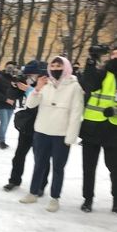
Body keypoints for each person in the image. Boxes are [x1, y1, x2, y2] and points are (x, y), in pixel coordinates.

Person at [19, 56, 84, 212]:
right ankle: (33, 192)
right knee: (39, 164)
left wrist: (71, 137)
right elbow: (30, 105)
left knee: (58, 167)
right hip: (42, 132)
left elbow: (76, 113)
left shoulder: (74, 86)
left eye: (59, 66)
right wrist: (37, 89)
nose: (55, 68)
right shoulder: (45, 84)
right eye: (53, 65)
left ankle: (55, 198)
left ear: (66, 67)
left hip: (61, 135)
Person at [80, 46, 117, 213]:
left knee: (115, 168)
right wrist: (91, 59)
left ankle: (116, 200)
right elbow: (88, 83)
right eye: (114, 54)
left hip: (113, 129)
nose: (116, 57)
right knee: (88, 167)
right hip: (92, 126)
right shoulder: (103, 72)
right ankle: (88, 199)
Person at [3, 61, 49, 193]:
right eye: (27, 74)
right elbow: (11, 97)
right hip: (27, 126)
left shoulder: (49, 85)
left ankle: (41, 185)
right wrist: (14, 86)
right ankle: (14, 180)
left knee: (41, 158)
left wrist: (28, 89)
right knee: (19, 155)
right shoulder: (27, 83)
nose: (29, 77)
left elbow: (40, 100)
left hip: (42, 126)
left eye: (31, 74)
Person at [0, 61, 17, 148]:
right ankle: (2, 141)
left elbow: (17, 90)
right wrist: (6, 99)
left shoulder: (14, 78)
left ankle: (1, 140)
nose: (10, 69)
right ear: (5, 67)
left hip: (11, 104)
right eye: (9, 68)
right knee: (4, 122)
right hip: (2, 104)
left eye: (12, 68)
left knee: (6, 124)